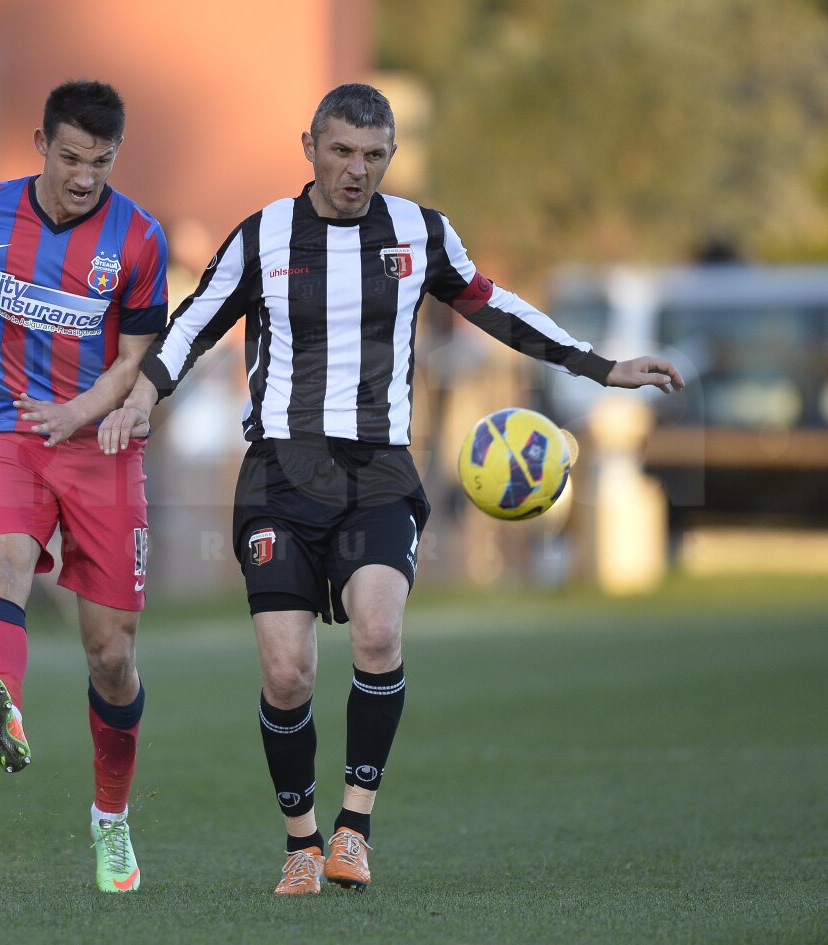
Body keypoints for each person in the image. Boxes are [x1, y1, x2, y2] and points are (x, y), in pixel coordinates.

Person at [99, 83, 684, 895]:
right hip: (279, 473)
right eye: (341, 151)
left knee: (377, 634)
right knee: (287, 673)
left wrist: (601, 366)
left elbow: (492, 305)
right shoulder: (264, 234)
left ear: (392, 156)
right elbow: (195, 321)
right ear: (310, 146)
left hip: (377, 471)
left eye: (373, 156)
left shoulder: (419, 231)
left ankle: (354, 829)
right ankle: (301, 841)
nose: (356, 170)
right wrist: (142, 396)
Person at [0, 80, 168, 894]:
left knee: (111, 654)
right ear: (41, 144)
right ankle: (3, 701)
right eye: (71, 157)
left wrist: (80, 413)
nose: (85, 176)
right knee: (0, 565)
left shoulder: (139, 239)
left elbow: (134, 359)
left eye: (101, 161)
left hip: (102, 448)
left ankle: (111, 818)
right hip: (10, 431)